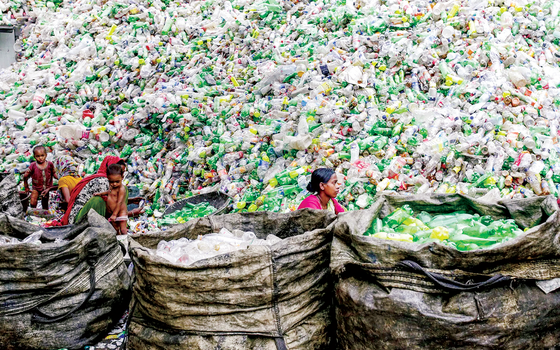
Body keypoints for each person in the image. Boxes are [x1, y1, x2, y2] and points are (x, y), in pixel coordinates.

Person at [60, 155, 127, 225]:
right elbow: (111, 207)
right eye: (120, 171)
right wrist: (130, 213)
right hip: (78, 218)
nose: (122, 175)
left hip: (88, 214)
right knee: (98, 200)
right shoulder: (102, 181)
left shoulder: (109, 181)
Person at [93, 164, 128, 235]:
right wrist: (101, 194)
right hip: (113, 213)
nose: (114, 184)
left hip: (120, 213)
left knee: (123, 229)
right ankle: (119, 241)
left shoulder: (121, 189)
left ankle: (127, 241)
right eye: (111, 182)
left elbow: (120, 202)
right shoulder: (112, 187)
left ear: (122, 177)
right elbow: (109, 192)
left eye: (117, 182)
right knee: (115, 229)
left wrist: (115, 214)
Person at [22, 145, 56, 210]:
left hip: (46, 188)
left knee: (45, 204)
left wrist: (59, 178)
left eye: (42, 155)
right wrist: (26, 187)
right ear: (34, 157)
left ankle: (44, 216)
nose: (40, 158)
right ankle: (33, 213)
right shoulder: (33, 165)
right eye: (38, 156)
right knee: (33, 202)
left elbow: (53, 173)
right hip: (36, 188)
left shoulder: (50, 164)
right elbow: (25, 176)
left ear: (46, 155)